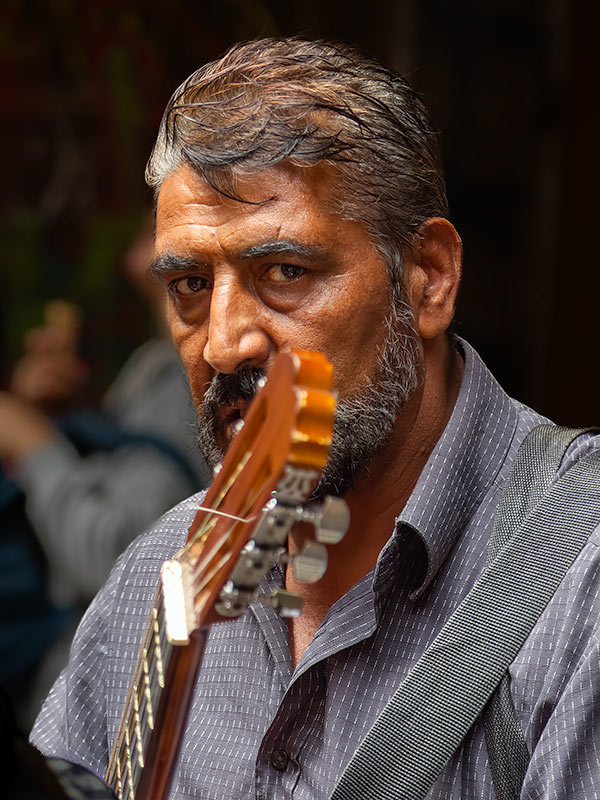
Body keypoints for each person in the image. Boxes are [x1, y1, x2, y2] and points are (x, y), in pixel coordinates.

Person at [29, 37, 600, 799]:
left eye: (286, 272)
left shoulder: (577, 586)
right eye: (191, 284)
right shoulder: (157, 579)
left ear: (428, 278)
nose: (226, 344)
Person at [0, 218, 210, 730]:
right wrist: (53, 417)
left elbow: (118, 563)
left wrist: (36, 446)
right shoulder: (155, 366)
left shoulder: (194, 379)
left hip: (85, 709)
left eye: (153, 233)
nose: (132, 258)